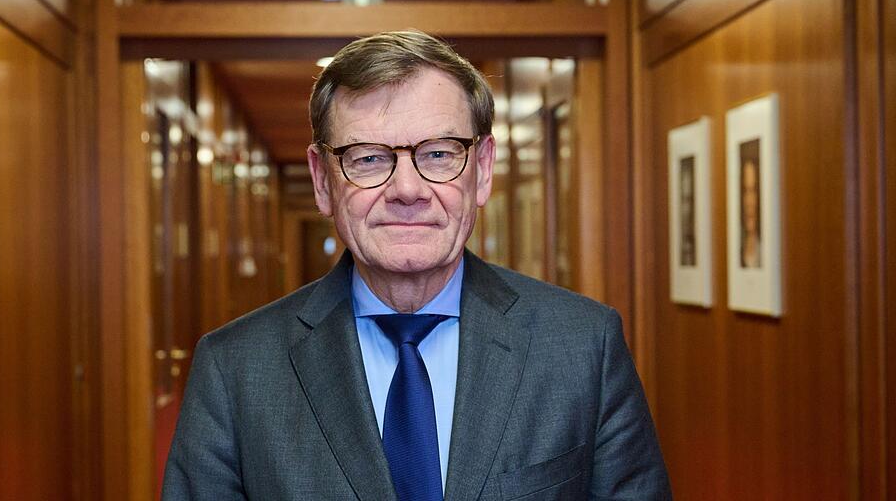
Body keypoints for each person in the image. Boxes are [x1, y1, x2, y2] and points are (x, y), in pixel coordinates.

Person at [162, 30, 671, 500]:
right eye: (367, 158)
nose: (407, 190)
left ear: (483, 169)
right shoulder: (234, 369)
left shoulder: (584, 347)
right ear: (322, 181)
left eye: (439, 154)